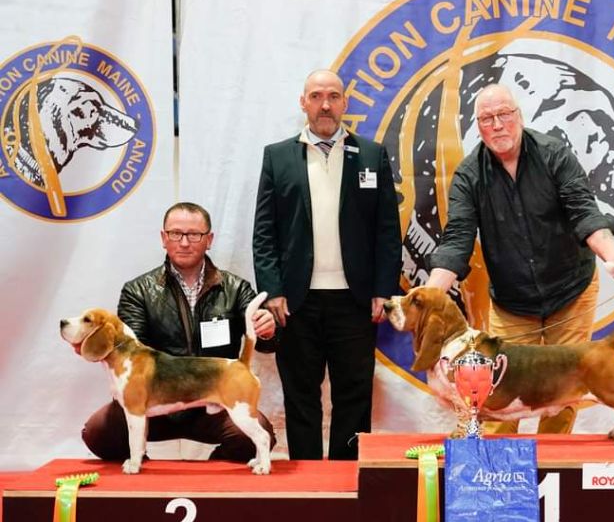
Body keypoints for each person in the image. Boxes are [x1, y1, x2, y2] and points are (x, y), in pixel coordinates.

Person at [425, 83, 614, 436]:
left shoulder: (555, 154)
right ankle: (498, 478)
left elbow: (586, 214)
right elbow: (457, 242)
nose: (497, 125)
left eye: (504, 115)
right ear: (477, 126)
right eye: (486, 119)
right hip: (512, 303)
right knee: (491, 394)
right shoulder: (468, 176)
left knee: (564, 392)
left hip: (571, 290)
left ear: (519, 116)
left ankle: (550, 472)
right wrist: (431, 297)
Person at [253, 69, 401, 460]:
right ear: (303, 102)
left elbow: (387, 230)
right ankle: (306, 482)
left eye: (333, 96)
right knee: (301, 394)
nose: (325, 104)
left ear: (344, 104)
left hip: (355, 301)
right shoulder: (278, 156)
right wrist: (273, 290)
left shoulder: (371, 154)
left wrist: (382, 291)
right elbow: (264, 232)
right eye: (316, 96)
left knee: (354, 393)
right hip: (296, 302)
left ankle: (347, 478)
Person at [82, 202, 278, 462]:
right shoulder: (137, 290)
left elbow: (266, 344)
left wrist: (267, 329)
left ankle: (213, 474)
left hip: (213, 402)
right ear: (164, 238)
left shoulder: (236, 288)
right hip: (155, 399)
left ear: (209, 240)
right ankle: (140, 461)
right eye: (176, 233)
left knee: (253, 435)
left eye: (194, 235)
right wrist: (96, 346)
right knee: (98, 433)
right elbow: (131, 352)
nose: (184, 242)